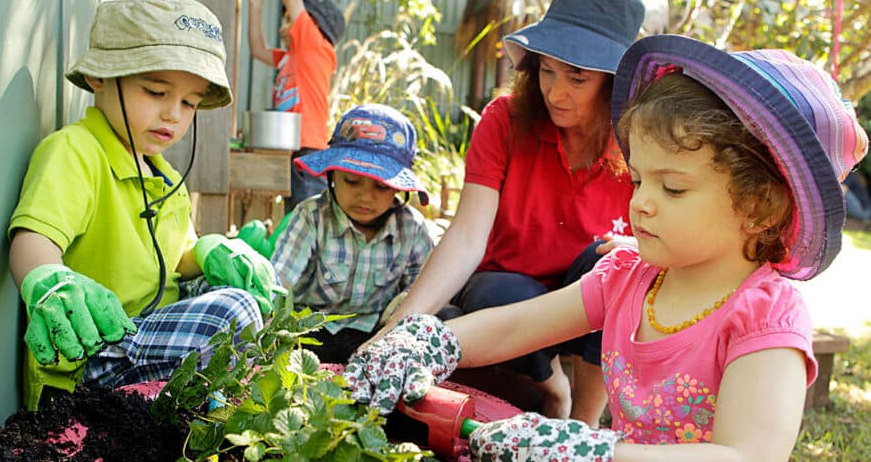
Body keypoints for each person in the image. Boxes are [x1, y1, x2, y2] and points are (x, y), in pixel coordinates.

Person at [345, 34, 869, 460]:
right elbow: (516, 325)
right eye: (638, 180)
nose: (640, 203)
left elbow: (747, 453)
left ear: (761, 206)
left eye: (674, 188)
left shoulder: (764, 318)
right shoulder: (629, 277)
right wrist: (432, 341)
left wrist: (591, 450)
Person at [363, 0, 646, 422]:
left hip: (587, 300)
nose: (555, 91)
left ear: (612, 83)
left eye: (577, 78)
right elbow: (465, 237)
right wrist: (398, 329)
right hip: (506, 296)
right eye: (547, 70)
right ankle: (554, 388)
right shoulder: (504, 120)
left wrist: (636, 248)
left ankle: (585, 425)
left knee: (617, 261)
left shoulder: (637, 139)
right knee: (499, 292)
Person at [8, 0, 279, 411]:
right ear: (100, 77)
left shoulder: (166, 177)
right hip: (92, 353)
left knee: (246, 292)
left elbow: (176, 258)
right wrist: (48, 281)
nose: (173, 114)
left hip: (149, 342)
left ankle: (201, 405)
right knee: (232, 310)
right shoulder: (75, 152)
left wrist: (209, 251)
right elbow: (33, 238)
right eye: (155, 91)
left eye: (189, 103)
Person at [270, 104, 435, 364]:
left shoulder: (411, 229)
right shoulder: (312, 216)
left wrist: (397, 321)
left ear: (397, 189)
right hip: (310, 331)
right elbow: (279, 281)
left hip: (375, 334)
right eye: (352, 181)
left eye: (381, 186)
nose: (365, 196)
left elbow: (424, 290)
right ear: (332, 175)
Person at [248, 0, 346, 213]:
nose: (283, 29)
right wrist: (256, 7)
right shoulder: (288, 59)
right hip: (294, 150)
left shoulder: (313, 45)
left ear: (314, 25)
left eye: (289, 20)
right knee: (296, 217)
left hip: (308, 151)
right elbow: (257, 49)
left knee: (310, 218)